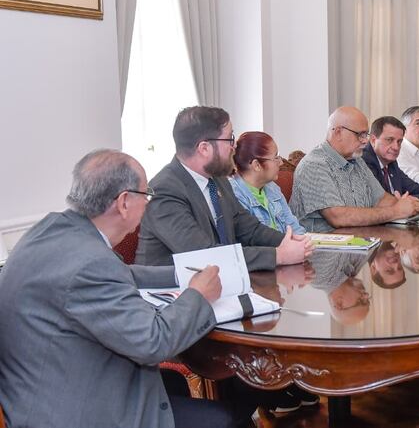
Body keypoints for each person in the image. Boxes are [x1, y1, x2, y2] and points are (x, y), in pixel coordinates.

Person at [0, 149, 260, 428]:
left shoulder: (55, 229)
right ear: (124, 202)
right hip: (74, 412)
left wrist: (181, 275)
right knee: (224, 419)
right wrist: (198, 295)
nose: (149, 204)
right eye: (146, 195)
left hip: (45, 383)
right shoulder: (90, 262)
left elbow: (121, 273)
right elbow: (154, 342)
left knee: (173, 383)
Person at [136, 106, 312, 271]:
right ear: (204, 148)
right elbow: (203, 253)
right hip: (171, 293)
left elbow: (250, 229)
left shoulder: (218, 180)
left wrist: (292, 242)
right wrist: (278, 256)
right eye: (230, 139)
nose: (233, 147)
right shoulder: (166, 190)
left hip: (220, 280)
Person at [290, 106, 419, 232]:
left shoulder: (357, 161)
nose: (365, 141)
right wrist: (397, 211)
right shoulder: (315, 165)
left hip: (359, 243)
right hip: (322, 251)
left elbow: (381, 199)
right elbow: (338, 217)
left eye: (366, 134)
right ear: (338, 132)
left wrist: (405, 205)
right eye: (360, 134)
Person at [229, 131, 306, 234]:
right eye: (276, 157)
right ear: (256, 165)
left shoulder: (272, 188)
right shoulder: (234, 196)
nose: (281, 162)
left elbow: (295, 229)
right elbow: (254, 243)